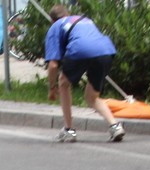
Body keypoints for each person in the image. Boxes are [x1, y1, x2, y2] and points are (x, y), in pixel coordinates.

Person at [43, 4, 125, 143]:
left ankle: (69, 130)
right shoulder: (84, 19)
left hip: (80, 50)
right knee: (92, 97)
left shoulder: (55, 27)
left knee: (63, 83)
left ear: (52, 20)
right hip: (106, 50)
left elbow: (53, 65)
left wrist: (52, 88)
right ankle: (115, 126)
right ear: (68, 14)